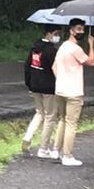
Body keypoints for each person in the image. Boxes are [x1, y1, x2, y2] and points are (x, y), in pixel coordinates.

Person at [40, 18, 94, 166]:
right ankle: (68, 156)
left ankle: (55, 150)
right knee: (71, 123)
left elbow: (54, 67)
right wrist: (91, 45)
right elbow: (91, 62)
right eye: (78, 29)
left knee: (62, 120)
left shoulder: (63, 46)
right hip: (74, 92)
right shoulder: (75, 49)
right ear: (71, 30)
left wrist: (61, 80)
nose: (81, 32)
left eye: (83, 29)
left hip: (60, 90)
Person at [22, 25, 63, 153]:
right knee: (50, 116)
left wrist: (29, 84)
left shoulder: (35, 48)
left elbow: (27, 66)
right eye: (56, 33)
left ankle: (27, 137)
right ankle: (43, 148)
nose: (57, 37)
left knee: (40, 112)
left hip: (35, 85)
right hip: (48, 87)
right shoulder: (51, 51)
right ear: (49, 34)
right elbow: (57, 69)